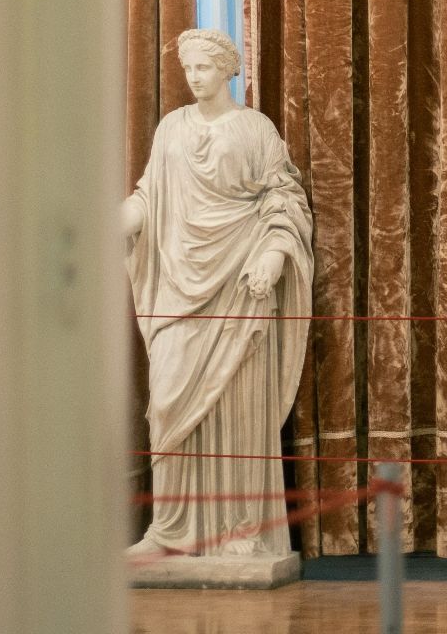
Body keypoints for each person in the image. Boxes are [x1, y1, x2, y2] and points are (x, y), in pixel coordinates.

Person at [122, 29, 314, 558]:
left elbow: (285, 198)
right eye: (188, 69)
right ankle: (168, 531)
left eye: (203, 67)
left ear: (228, 71)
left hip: (240, 284)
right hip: (179, 284)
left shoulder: (255, 129)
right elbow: (150, 194)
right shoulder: (171, 127)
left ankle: (240, 531)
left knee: (238, 415)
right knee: (167, 404)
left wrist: (274, 252)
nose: (194, 77)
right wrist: (124, 217)